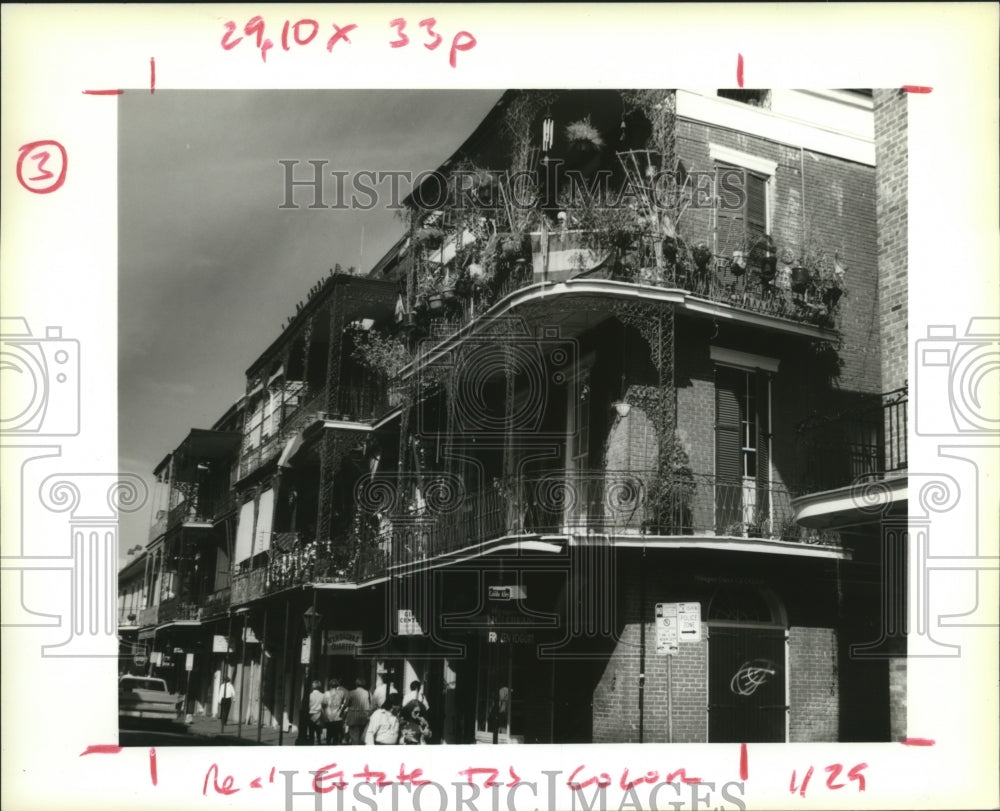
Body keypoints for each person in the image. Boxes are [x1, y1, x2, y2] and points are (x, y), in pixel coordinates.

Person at [344, 677, 373, 745]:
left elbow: (346, 705)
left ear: (356, 684)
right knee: (362, 738)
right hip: (364, 718)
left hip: (353, 718)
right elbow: (372, 705)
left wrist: (342, 713)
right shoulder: (368, 693)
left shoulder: (351, 693)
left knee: (354, 739)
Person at [322, 678, 349, 744]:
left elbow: (323, 705)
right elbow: (342, 703)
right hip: (338, 717)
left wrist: (324, 714)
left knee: (329, 735)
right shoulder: (341, 693)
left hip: (329, 717)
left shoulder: (326, 693)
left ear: (330, 686)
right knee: (336, 736)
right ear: (337, 686)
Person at [306, 680, 325, 745]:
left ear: (312, 686)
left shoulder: (310, 695)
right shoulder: (322, 695)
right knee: (318, 733)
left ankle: (311, 744)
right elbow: (324, 705)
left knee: (311, 733)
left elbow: (307, 706)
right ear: (319, 686)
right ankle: (319, 744)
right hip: (319, 715)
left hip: (311, 714)